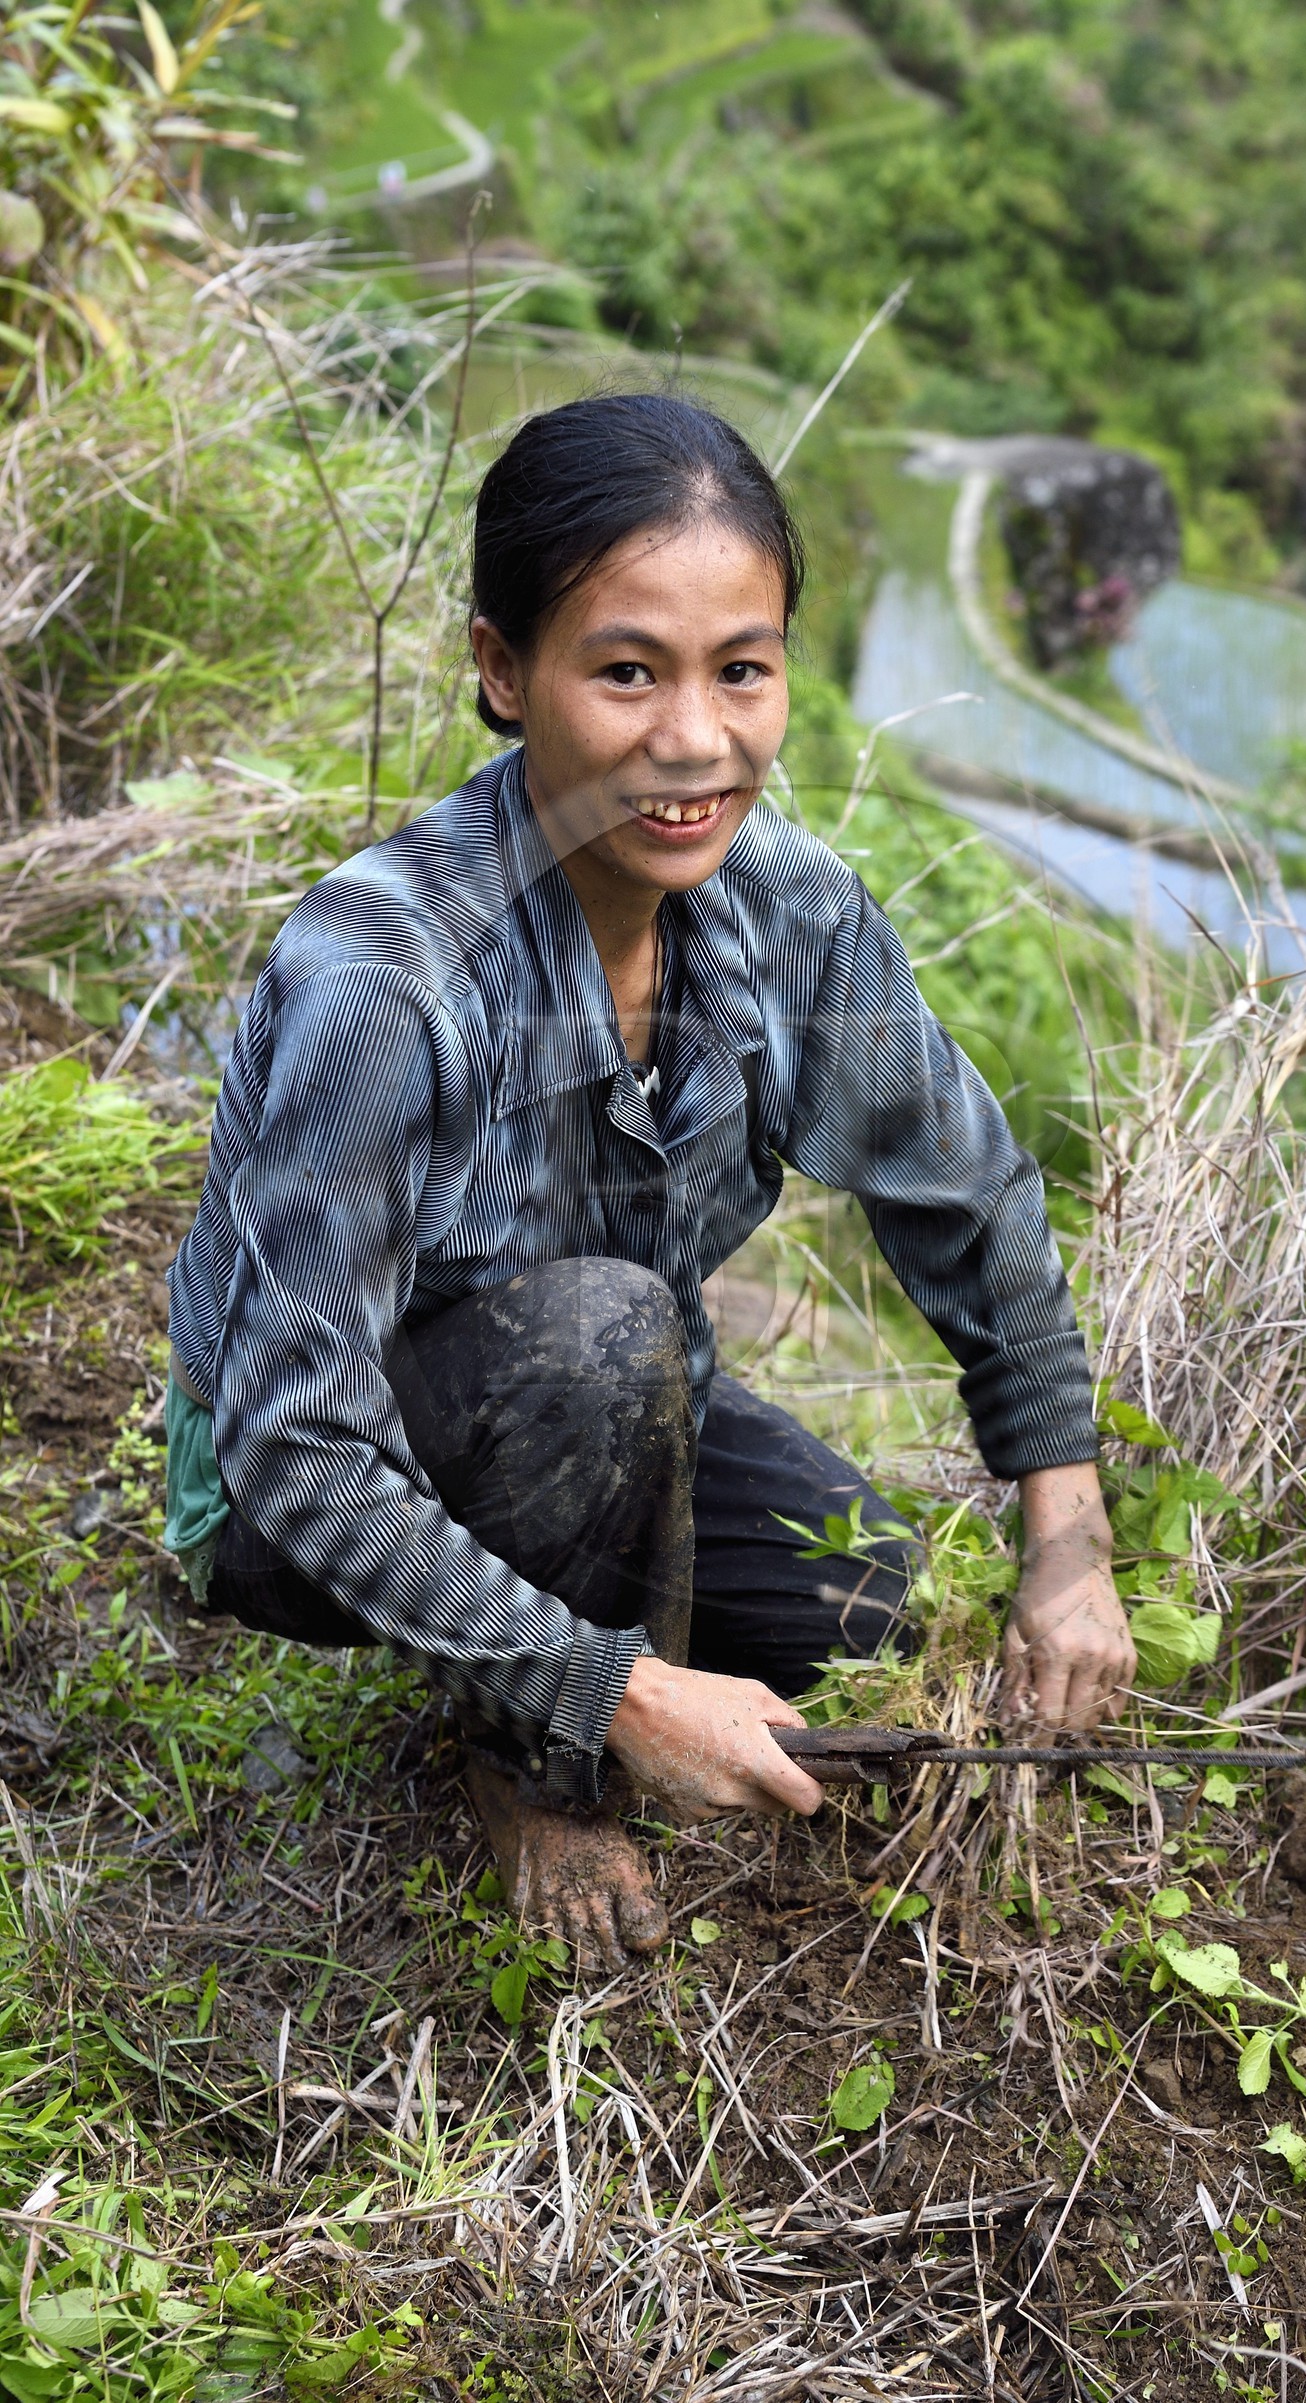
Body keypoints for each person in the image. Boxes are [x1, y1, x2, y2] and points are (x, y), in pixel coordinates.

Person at [164, 392, 1136, 1968]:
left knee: (878, 1612)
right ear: (504, 671)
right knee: (604, 1335)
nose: (695, 740)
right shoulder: (388, 975)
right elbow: (294, 1446)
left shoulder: (791, 917)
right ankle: (520, 1774)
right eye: (627, 671)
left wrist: (1069, 1544)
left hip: (622, 1397)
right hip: (302, 1475)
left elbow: (970, 1199)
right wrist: (615, 1694)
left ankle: (583, 1638)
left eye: (741, 669)